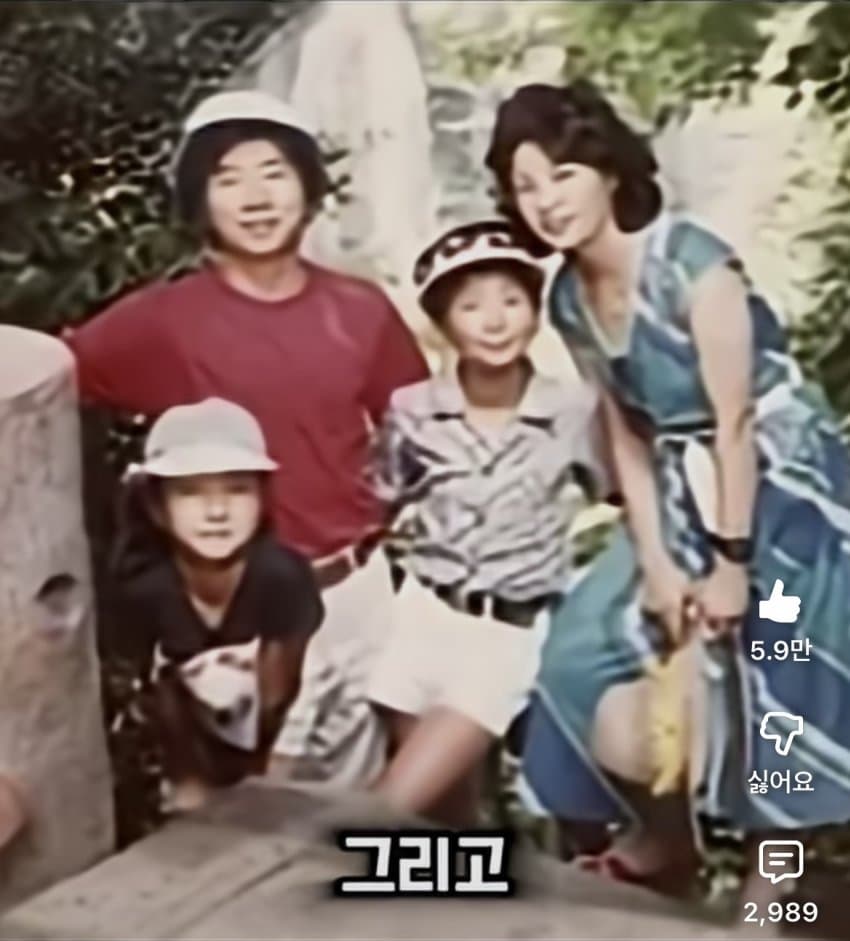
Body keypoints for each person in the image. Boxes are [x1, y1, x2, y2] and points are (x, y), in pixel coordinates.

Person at [484, 79, 850, 899]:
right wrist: (654, 558)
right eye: (526, 186)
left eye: (563, 175)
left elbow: (736, 422)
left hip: (781, 494)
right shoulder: (569, 297)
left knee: (779, 688)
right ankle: (664, 840)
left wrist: (731, 562)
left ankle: (772, 890)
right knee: (579, 650)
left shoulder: (694, 266)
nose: (547, 201)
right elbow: (625, 431)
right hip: (681, 487)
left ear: (609, 170)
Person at [64, 89, 429, 785]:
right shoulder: (164, 321)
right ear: (200, 202)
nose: (256, 197)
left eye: (274, 173)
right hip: (230, 607)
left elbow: (422, 434)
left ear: (308, 188)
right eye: (228, 178)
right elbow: (47, 373)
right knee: (242, 806)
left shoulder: (361, 311)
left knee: (353, 802)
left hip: (354, 590)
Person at [367, 221, 608, 825]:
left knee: (389, 805)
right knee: (444, 817)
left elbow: (622, 495)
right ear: (444, 323)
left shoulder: (572, 410)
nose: (495, 321)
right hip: (422, 618)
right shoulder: (413, 410)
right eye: (471, 307)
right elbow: (381, 497)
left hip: (509, 634)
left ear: (535, 311)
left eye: (511, 301)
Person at [110, 397, 324, 811]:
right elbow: (155, 687)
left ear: (262, 498)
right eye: (190, 493)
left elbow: (292, 696)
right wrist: (188, 780)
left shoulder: (281, 578)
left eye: (237, 490)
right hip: (199, 754)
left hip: (299, 748)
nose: (216, 511)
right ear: (157, 507)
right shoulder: (145, 589)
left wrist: (269, 783)